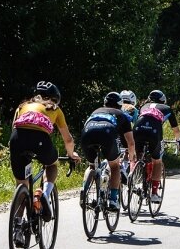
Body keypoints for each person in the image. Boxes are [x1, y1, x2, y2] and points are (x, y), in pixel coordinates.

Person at [10, 81, 80, 220]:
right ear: (54, 98)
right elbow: (68, 139)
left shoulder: (22, 107)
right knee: (51, 164)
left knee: (22, 184)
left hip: (17, 138)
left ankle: (17, 224)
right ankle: (45, 196)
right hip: (40, 139)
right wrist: (71, 154)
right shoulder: (55, 109)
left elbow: (14, 128)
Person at [80, 91, 136, 211]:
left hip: (87, 133)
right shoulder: (121, 114)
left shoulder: (96, 111)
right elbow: (130, 142)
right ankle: (113, 200)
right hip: (107, 132)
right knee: (115, 166)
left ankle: (84, 191)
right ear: (120, 105)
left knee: (92, 166)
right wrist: (131, 156)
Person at [133, 90, 180, 203]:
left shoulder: (143, 106)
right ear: (163, 100)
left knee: (138, 156)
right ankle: (154, 193)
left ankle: (133, 176)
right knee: (157, 161)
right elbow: (176, 130)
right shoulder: (167, 108)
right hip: (154, 131)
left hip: (138, 129)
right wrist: (178, 140)